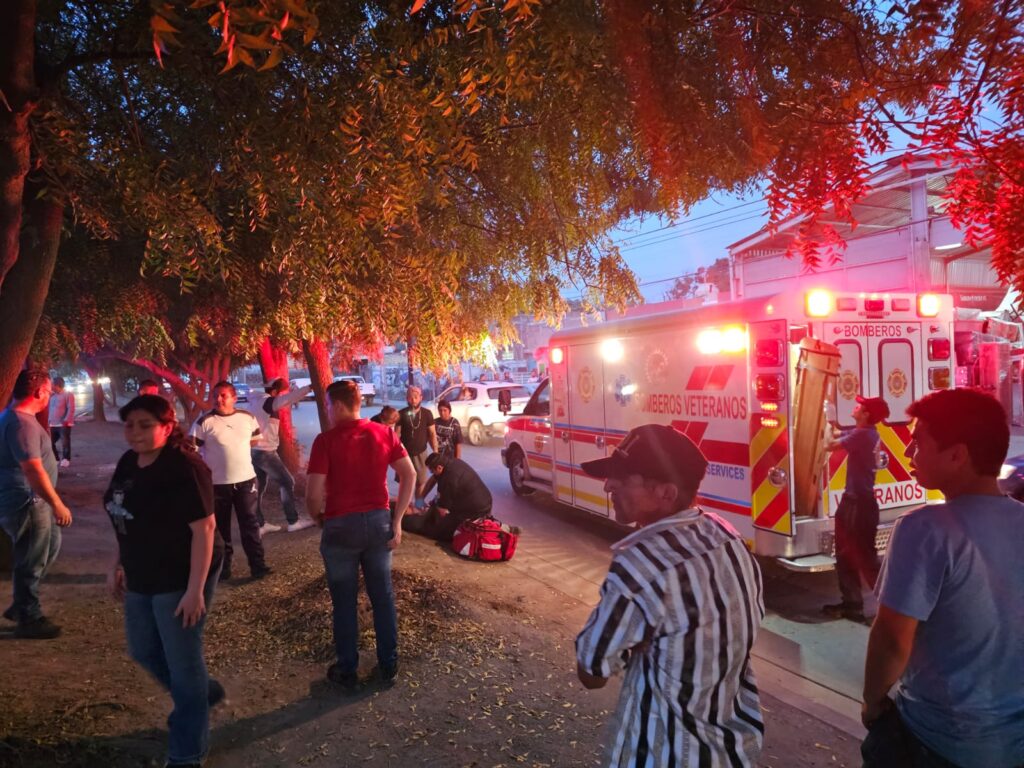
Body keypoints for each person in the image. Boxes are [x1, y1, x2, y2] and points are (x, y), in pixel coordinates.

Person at [575, 424, 764, 767]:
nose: (607, 485)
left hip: (662, 755)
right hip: (731, 753)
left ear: (666, 493)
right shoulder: (728, 538)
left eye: (623, 478)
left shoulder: (640, 566)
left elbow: (591, 670)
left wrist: (639, 643)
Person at [861, 389, 1024, 768]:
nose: (907, 454)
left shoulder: (924, 529)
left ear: (957, 455)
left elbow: (891, 639)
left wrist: (873, 702)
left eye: (917, 443)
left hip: (938, 740)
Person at [105, 394, 225, 768]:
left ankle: (187, 752)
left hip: (179, 571)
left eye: (145, 425)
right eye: (129, 425)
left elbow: (205, 529)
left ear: (167, 427)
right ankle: (201, 696)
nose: (135, 433)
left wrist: (194, 591)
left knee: (182, 661)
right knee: (143, 649)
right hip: (141, 570)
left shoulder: (184, 467)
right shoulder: (129, 462)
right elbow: (122, 514)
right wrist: (117, 562)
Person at [306, 379, 416, 691]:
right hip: (379, 523)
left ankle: (347, 669)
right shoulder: (384, 433)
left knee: (344, 602)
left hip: (341, 526)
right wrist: (397, 521)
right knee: (383, 598)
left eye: (328, 405)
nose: (328, 411)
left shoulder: (325, 441)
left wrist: (318, 519)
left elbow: (313, 495)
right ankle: (389, 665)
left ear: (338, 405)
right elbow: (410, 475)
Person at [0, 369, 73, 639]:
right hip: (28, 501)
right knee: (32, 558)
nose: (50, 396)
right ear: (40, 391)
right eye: (49, 391)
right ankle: (29, 617)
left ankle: (21, 604)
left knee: (49, 546)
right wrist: (57, 504)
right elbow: (32, 469)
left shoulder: (15, 419)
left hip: (32, 500)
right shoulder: (21, 424)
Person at [189, 381, 270, 581]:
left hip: (246, 481)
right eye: (215, 395)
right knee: (220, 528)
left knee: (249, 524)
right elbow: (192, 450)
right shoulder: (204, 422)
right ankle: (223, 570)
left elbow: (254, 440)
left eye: (224, 395)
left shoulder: (247, 418)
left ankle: (258, 566)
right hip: (217, 484)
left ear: (234, 398)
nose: (219, 399)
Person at [822, 394, 889, 622]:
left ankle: (889, 607)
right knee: (850, 555)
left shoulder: (863, 435)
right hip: (858, 502)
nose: (855, 407)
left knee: (863, 558)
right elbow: (839, 435)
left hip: (858, 505)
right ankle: (853, 605)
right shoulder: (865, 433)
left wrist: (827, 420)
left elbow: (828, 445)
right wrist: (832, 424)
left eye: (859, 406)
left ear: (866, 413)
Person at [249, 378, 314, 535]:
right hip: (265, 451)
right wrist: (309, 388)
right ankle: (293, 521)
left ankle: (259, 524)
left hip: (255, 450)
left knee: (258, 487)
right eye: (281, 392)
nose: (282, 395)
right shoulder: (267, 402)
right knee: (287, 481)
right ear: (274, 391)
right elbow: (287, 399)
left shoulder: (256, 402)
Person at [407, 452, 491, 542]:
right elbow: (432, 481)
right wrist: (420, 499)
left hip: (475, 510)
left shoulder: (449, 480)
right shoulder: (449, 462)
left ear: (439, 467)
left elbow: (442, 510)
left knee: (439, 531)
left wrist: (426, 511)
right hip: (484, 501)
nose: (431, 473)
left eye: (432, 471)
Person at [398, 385, 436, 498]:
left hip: (421, 454)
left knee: (421, 483)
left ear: (421, 397)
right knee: (405, 483)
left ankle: (418, 506)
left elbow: (432, 434)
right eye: (410, 397)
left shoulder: (427, 414)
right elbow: (396, 435)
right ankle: (405, 509)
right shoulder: (401, 414)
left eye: (416, 397)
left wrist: (436, 451)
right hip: (404, 455)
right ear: (406, 398)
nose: (413, 400)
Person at [48, 376, 75, 468]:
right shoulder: (52, 395)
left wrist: (67, 419)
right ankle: (55, 459)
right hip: (52, 424)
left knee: (65, 442)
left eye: (52, 384)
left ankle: (66, 459)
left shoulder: (68, 394)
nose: (51, 386)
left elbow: (71, 408)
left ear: (57, 385)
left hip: (63, 423)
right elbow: (49, 409)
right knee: (49, 442)